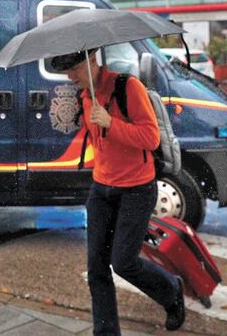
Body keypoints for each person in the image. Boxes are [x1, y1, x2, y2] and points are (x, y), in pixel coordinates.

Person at [50, 49, 185, 334]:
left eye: (73, 68)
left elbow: (150, 138)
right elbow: (100, 143)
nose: (69, 76)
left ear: (92, 61)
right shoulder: (85, 95)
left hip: (136, 189)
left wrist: (111, 123)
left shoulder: (128, 87)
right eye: (65, 71)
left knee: (123, 262)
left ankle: (171, 290)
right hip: (101, 189)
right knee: (97, 270)